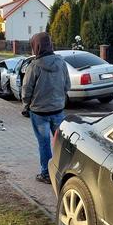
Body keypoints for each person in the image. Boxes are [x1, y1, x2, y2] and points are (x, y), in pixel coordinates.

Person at [21, 32, 71, 183]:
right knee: (59, 143)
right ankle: (62, 171)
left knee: (44, 143)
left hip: (39, 112)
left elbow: (26, 89)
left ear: (36, 46)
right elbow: (67, 85)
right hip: (58, 110)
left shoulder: (34, 66)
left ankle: (46, 174)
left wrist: (26, 105)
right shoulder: (61, 63)